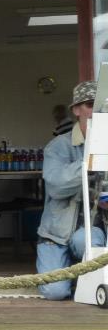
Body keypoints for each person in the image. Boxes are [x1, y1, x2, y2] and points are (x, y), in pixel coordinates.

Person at [37, 80, 106, 300]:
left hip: (90, 231)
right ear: (76, 110)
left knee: (86, 239)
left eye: (101, 105)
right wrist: (91, 158)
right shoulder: (57, 146)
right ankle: (74, 274)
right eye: (89, 104)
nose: (95, 111)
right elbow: (56, 187)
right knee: (54, 292)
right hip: (55, 234)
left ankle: (87, 277)